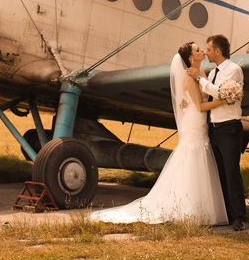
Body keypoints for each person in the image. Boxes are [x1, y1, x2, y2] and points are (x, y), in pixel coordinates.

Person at [90, 42, 229, 226]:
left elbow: (199, 97)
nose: (202, 51)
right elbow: (201, 106)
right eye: (197, 50)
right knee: (193, 158)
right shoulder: (188, 78)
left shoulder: (202, 74)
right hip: (195, 120)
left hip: (199, 121)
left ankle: (203, 207)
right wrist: (224, 99)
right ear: (190, 58)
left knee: (200, 159)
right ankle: (189, 207)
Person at [188, 34, 246, 231]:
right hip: (214, 130)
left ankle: (239, 217)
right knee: (220, 174)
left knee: (232, 174)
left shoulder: (234, 70)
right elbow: (209, 95)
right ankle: (227, 214)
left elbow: (219, 92)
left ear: (218, 51)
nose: (206, 52)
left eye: (209, 49)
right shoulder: (212, 73)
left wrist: (200, 79)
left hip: (230, 129)